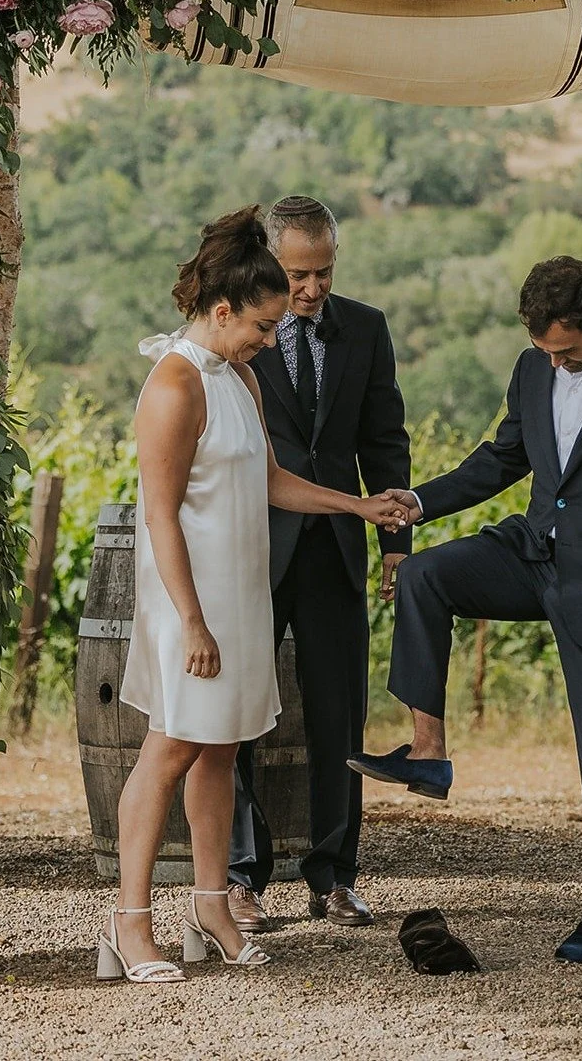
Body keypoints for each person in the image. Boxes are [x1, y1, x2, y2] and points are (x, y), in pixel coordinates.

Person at [349, 256, 582, 963]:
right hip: (530, 553)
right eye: (543, 350)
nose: (553, 361)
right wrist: (418, 501)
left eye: (564, 350)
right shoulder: (530, 366)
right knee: (424, 574)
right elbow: (500, 459)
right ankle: (427, 753)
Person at [96, 206, 406, 984]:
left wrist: (357, 506)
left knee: (220, 750)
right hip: (189, 603)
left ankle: (210, 906)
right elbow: (159, 516)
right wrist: (192, 621)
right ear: (223, 309)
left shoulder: (236, 377)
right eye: (262, 327)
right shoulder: (173, 384)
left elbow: (270, 480)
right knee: (168, 752)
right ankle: (128, 923)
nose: (271, 342)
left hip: (240, 596)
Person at [228, 195, 412, 932]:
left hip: (336, 546)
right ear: (270, 263)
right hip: (251, 545)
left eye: (323, 273)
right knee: (237, 713)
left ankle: (334, 876)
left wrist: (395, 543)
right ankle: (241, 875)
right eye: (297, 274)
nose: (310, 289)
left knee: (340, 715)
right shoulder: (240, 327)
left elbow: (384, 439)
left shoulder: (365, 329)